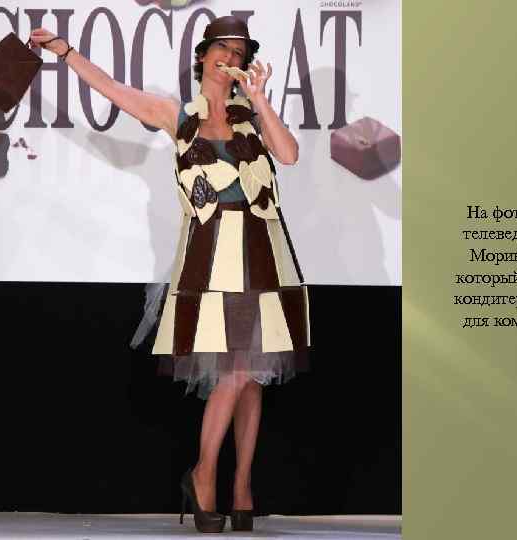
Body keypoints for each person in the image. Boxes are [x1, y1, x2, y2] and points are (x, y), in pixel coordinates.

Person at [31, 15, 310, 534]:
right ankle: (204, 474)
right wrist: (65, 51)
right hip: (211, 256)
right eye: (223, 48)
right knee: (237, 372)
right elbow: (111, 89)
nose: (231, 59)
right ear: (203, 55)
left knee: (252, 377)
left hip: (261, 251)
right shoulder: (175, 114)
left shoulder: (252, 115)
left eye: (240, 53)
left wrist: (261, 98)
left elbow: (289, 155)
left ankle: (241, 487)